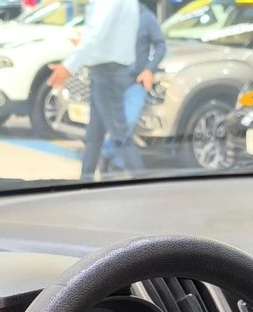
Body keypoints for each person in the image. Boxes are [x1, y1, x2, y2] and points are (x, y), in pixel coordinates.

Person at [46, 0, 144, 181]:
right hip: (112, 70)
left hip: (107, 72)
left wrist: (68, 66)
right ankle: (86, 180)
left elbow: (96, 35)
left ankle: (145, 183)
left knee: (119, 134)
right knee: (94, 135)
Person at [101, 1, 166, 174]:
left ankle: (109, 157)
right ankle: (113, 162)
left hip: (135, 83)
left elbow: (160, 45)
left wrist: (149, 69)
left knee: (127, 121)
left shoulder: (147, 18)